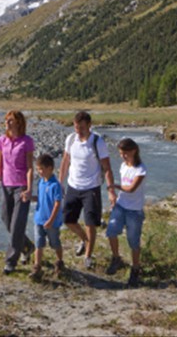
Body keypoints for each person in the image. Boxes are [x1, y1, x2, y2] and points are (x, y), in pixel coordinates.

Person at [59, 111, 116, 270]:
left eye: (82, 128)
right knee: (68, 220)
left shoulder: (97, 142)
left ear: (89, 126)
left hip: (91, 187)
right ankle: (84, 239)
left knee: (91, 223)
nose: (78, 131)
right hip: (73, 185)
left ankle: (88, 256)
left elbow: (107, 168)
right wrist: (59, 183)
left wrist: (111, 190)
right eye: (76, 127)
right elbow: (65, 161)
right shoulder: (71, 139)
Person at [0, 110, 35, 275]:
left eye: (10, 120)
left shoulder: (27, 141)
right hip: (6, 185)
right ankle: (28, 246)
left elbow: (30, 167)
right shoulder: (2, 141)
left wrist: (30, 189)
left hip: (21, 186)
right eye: (6, 120)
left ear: (18, 122)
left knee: (17, 224)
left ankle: (11, 261)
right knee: (7, 220)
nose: (7, 123)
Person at [105, 138, 147, 287]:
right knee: (111, 231)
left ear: (133, 151)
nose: (122, 156)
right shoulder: (123, 166)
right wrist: (114, 198)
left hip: (134, 210)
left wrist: (114, 186)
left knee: (133, 241)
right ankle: (116, 258)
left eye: (125, 153)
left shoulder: (140, 169)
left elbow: (131, 188)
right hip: (121, 205)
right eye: (121, 154)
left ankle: (135, 268)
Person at [29, 153, 64, 279]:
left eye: (42, 169)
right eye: (38, 169)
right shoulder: (41, 183)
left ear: (50, 168)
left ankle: (60, 262)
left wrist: (51, 220)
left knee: (55, 243)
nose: (40, 172)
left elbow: (57, 204)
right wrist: (30, 198)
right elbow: (40, 198)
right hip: (39, 218)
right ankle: (37, 267)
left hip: (51, 222)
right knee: (38, 243)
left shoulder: (55, 185)